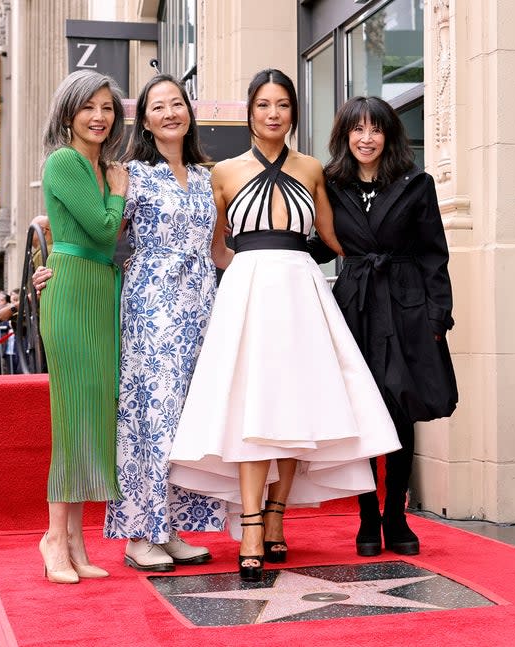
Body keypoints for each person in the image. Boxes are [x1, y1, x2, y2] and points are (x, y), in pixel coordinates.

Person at [167, 70, 401, 582]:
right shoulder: (222, 173)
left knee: (296, 408)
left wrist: (392, 271)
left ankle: (276, 520)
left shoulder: (313, 168)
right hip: (247, 292)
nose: (273, 114)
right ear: (250, 111)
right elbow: (214, 248)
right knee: (252, 407)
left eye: (283, 105)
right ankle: (251, 526)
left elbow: (335, 238)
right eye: (263, 104)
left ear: (293, 113)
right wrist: (248, 277)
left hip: (303, 290)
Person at [34, 75, 234, 572]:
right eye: (157, 106)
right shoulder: (132, 174)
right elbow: (95, 229)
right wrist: (50, 264)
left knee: (186, 418)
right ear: (143, 120)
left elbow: (220, 247)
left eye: (177, 104)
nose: (170, 113)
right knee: (150, 416)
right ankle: (139, 532)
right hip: (149, 303)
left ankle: (169, 528)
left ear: (190, 111)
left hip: (199, 304)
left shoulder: (210, 178)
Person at [310, 96, 457, 557]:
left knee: (399, 410)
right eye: (358, 130)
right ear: (345, 136)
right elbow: (319, 243)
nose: (366, 138)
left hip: (406, 306)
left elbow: (435, 254)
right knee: (360, 412)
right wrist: (265, 245)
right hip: (354, 305)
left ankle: (396, 514)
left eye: (376, 129)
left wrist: (438, 316)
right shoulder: (331, 184)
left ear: (390, 135)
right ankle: (366, 517)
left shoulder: (417, 184)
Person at [37, 69, 129, 584]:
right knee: (72, 416)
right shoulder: (66, 161)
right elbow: (99, 229)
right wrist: (116, 193)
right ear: (68, 112)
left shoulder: (103, 166)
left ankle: (74, 539)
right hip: (72, 289)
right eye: (88, 106)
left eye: (108, 107)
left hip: (100, 288)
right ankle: (53, 538)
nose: (99, 116)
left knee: (93, 413)